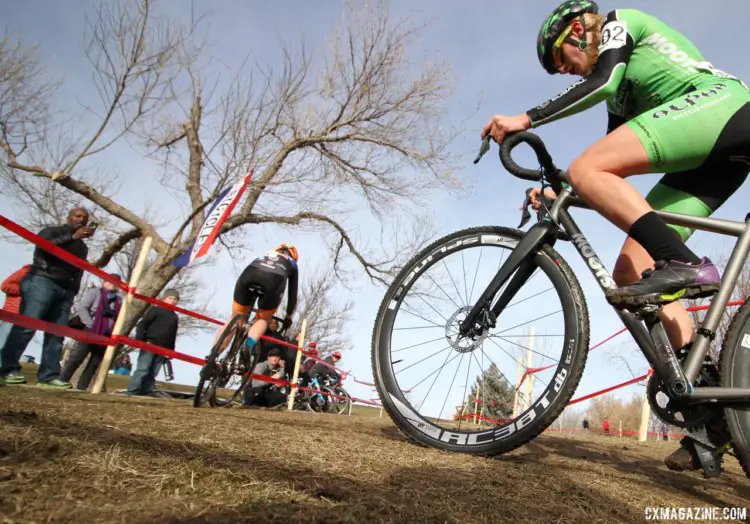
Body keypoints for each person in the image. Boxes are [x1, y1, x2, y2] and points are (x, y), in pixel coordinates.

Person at [482, 1, 748, 473]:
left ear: (580, 28)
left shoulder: (621, 24)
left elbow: (599, 83)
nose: (560, 68)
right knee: (631, 268)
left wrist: (527, 118)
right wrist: (558, 189)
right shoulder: (619, 95)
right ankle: (711, 416)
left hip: (724, 107)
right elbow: (604, 158)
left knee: (591, 171)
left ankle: (686, 264)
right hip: (714, 161)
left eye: (559, 56)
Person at [0, 208, 94, 387]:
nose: (81, 220)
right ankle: (7, 369)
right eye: (78, 216)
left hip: (65, 289)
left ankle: (49, 376)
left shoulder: (83, 247)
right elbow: (43, 246)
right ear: (69, 217)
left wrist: (74, 289)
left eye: (85, 218)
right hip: (42, 280)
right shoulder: (52, 231)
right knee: (27, 325)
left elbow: (79, 268)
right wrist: (72, 237)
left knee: (57, 333)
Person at [227, 244, 298, 360]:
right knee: (263, 319)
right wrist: (288, 316)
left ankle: (213, 354)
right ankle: (248, 345)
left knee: (235, 318)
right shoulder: (292, 263)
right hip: (274, 280)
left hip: (249, 274)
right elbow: (292, 295)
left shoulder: (265, 253)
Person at [59, 275, 123, 390]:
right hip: (91, 329)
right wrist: (90, 324)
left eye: (115, 282)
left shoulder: (119, 300)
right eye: (110, 281)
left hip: (106, 334)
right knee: (77, 357)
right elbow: (83, 308)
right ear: (105, 281)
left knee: (94, 362)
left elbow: (119, 317)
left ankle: (82, 388)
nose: (112, 284)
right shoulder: (95, 292)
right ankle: (62, 381)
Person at [126, 289, 180, 396]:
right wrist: (140, 340)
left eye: (175, 299)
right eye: (170, 298)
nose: (172, 301)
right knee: (143, 368)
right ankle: (133, 390)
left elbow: (173, 334)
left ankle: (145, 391)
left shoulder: (174, 316)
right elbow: (142, 324)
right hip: (150, 343)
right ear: (164, 299)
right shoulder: (155, 310)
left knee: (153, 372)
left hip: (163, 348)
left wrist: (170, 351)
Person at [0, 264, 32, 350]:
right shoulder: (26, 270)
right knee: (2, 343)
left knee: (14, 348)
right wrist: (24, 291)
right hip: (12, 313)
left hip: (27, 317)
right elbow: (5, 286)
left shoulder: (46, 279)